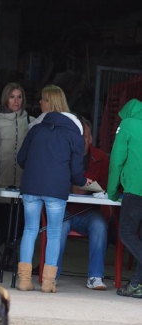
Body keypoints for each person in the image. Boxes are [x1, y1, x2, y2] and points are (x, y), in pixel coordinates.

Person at [16, 84, 90, 292]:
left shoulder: (36, 129)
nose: (39, 102)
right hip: (56, 189)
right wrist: (82, 182)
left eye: (42, 99)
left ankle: (23, 280)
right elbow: (76, 170)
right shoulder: (74, 134)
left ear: (51, 102)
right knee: (55, 233)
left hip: (30, 186)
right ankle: (48, 283)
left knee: (30, 230)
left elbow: (21, 159)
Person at [0, 83, 34, 269]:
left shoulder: (30, 121)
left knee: (19, 224)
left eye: (19, 97)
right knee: (7, 223)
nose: (16, 101)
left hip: (22, 180)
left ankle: (3, 255)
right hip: (1, 177)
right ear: (5, 98)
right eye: (12, 97)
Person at [57, 117, 110, 290]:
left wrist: (90, 189)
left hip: (89, 211)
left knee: (100, 226)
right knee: (59, 226)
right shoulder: (64, 154)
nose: (80, 141)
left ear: (91, 138)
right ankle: (52, 274)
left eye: (84, 136)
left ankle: (95, 277)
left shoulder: (101, 157)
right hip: (66, 209)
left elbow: (108, 188)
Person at [107, 98, 142, 298]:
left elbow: (117, 160)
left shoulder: (128, 124)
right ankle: (136, 284)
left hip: (136, 189)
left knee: (127, 234)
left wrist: (112, 191)